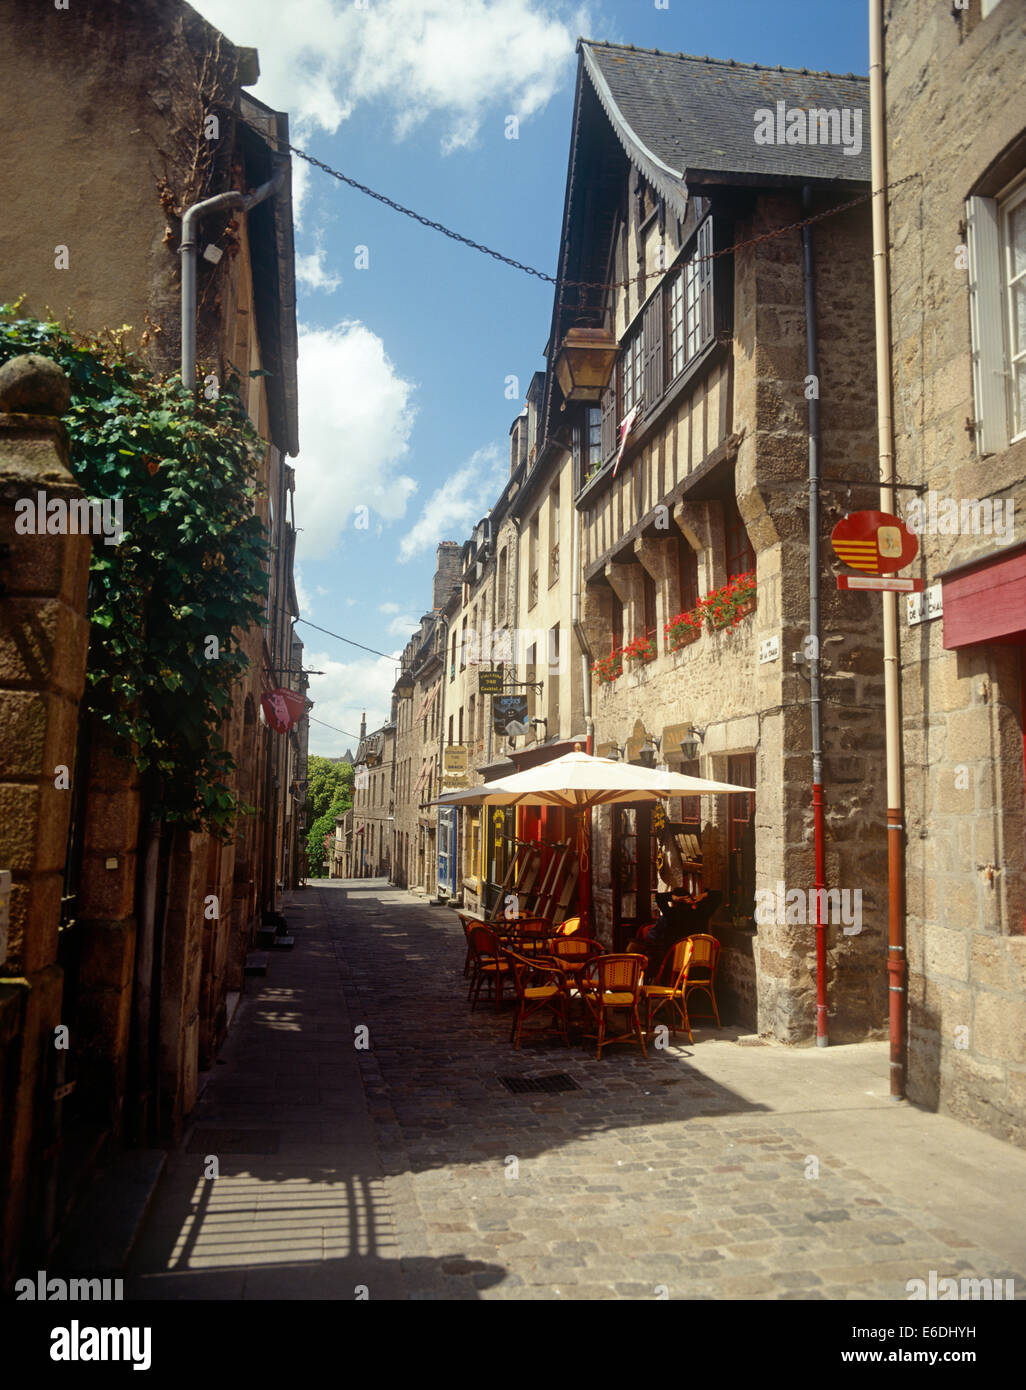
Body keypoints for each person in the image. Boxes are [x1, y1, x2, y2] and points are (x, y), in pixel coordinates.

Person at [636, 886, 723, 980]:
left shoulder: (671, 914)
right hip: (699, 967)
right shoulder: (702, 913)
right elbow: (719, 895)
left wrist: (674, 897)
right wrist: (702, 896)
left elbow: (658, 897)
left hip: (676, 967)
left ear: (675, 902)